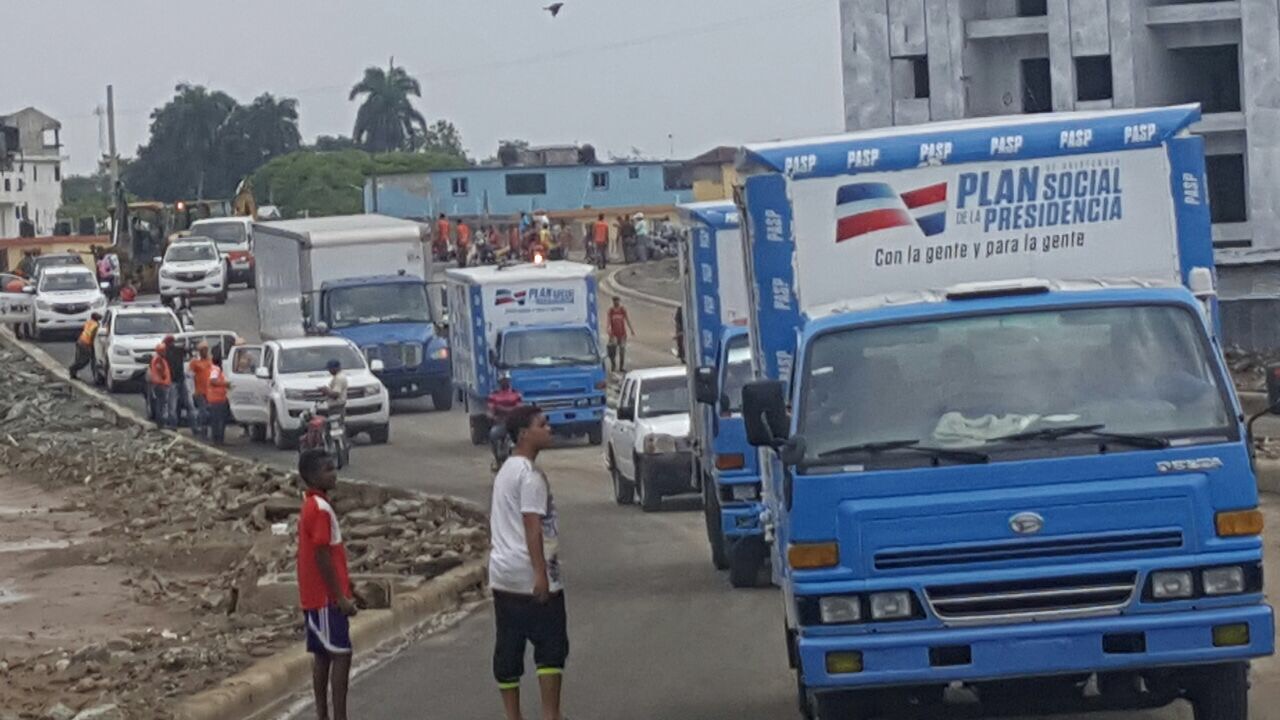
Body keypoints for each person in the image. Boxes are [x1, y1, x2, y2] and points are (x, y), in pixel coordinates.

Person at [489, 406, 567, 720]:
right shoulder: (531, 476)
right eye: (542, 424)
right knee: (551, 648)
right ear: (524, 434)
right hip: (530, 574)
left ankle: (513, 715)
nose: (549, 428)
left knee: (508, 648)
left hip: (502, 575)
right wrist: (540, 574)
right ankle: (551, 714)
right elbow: (532, 525)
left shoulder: (505, 470)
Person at [297, 449, 360, 720]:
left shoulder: (313, 505)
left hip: (318, 595)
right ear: (311, 476)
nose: (333, 473)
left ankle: (323, 714)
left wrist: (349, 585)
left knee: (323, 654)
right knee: (340, 654)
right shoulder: (321, 509)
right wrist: (340, 597)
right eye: (327, 469)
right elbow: (322, 554)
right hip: (325, 598)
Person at [487, 376, 523, 468]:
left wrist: (500, 408)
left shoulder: (516, 394)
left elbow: (519, 408)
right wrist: (492, 416)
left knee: (521, 440)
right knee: (493, 436)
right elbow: (491, 409)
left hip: (513, 424)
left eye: (506, 381)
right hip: (500, 423)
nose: (504, 383)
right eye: (502, 381)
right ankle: (497, 460)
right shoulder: (493, 395)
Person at [188, 342, 214, 440]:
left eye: (206, 350)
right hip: (199, 391)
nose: (205, 352)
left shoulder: (209, 361)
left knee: (209, 412)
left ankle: (206, 430)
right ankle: (203, 431)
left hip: (210, 391)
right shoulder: (195, 362)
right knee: (203, 412)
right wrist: (191, 390)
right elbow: (189, 375)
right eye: (203, 350)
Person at [148, 339, 175, 429]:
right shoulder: (159, 360)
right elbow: (161, 372)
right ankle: (161, 423)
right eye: (164, 350)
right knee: (161, 404)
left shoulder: (158, 359)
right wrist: (164, 379)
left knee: (161, 404)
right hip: (160, 384)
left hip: (160, 383)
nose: (165, 352)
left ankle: (161, 423)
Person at [205, 353, 231, 445]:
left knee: (216, 420)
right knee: (219, 420)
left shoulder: (212, 368)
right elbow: (213, 381)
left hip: (215, 398)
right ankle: (218, 440)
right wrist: (225, 384)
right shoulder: (216, 369)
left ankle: (217, 440)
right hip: (217, 398)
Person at [164, 335, 189, 429]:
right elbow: (187, 351)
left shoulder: (165, 353)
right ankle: (196, 427)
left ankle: (173, 425)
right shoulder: (179, 351)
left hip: (172, 381)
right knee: (189, 405)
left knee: (172, 405)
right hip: (181, 380)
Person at [68, 312, 102, 381]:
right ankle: (72, 368)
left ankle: (73, 374)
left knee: (78, 359)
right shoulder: (96, 325)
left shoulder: (89, 322)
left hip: (80, 340)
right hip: (85, 344)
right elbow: (92, 336)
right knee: (84, 360)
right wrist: (92, 346)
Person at [606, 297, 635, 373]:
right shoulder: (611, 311)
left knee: (622, 352)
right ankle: (613, 365)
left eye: (617, 301)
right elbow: (608, 321)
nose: (616, 302)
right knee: (613, 351)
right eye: (615, 301)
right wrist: (608, 329)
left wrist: (631, 330)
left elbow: (627, 320)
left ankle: (621, 367)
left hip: (622, 334)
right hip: (614, 335)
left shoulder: (622, 310)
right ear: (613, 302)